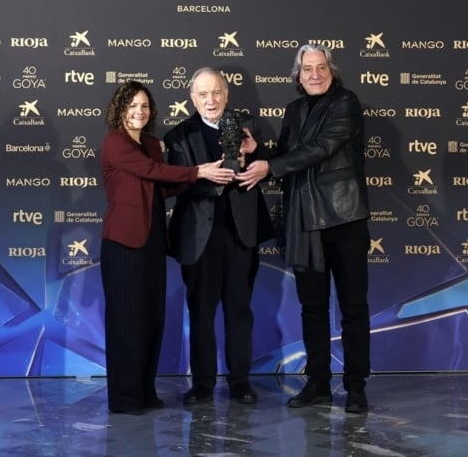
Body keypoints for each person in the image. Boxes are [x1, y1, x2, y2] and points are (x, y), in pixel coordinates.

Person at [236, 44, 372, 414]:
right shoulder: (294, 110)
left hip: (344, 218)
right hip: (304, 221)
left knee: (353, 307)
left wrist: (272, 167)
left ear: (332, 71)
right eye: (307, 68)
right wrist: (260, 152)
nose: (314, 74)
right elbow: (287, 156)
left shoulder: (346, 102)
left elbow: (321, 148)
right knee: (312, 308)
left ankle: (356, 386)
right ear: (297, 75)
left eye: (321, 67)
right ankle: (318, 383)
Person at [99, 81, 234, 415]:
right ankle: (126, 398)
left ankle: (145, 392)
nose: (139, 112)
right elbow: (150, 171)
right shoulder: (115, 142)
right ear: (119, 108)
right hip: (123, 243)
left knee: (150, 319)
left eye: (144, 106)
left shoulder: (151, 143)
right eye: (132, 105)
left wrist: (201, 176)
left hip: (152, 240)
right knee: (126, 322)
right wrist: (196, 170)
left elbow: (162, 186)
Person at [163, 68, 274, 406]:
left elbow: (271, 169)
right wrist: (207, 176)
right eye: (202, 94)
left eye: (216, 93)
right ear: (192, 99)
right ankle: (203, 385)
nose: (210, 100)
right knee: (201, 313)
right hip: (199, 237)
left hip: (241, 234)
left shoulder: (249, 128)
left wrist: (254, 157)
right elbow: (179, 184)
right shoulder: (178, 136)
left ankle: (241, 382)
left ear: (226, 95)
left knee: (239, 311)